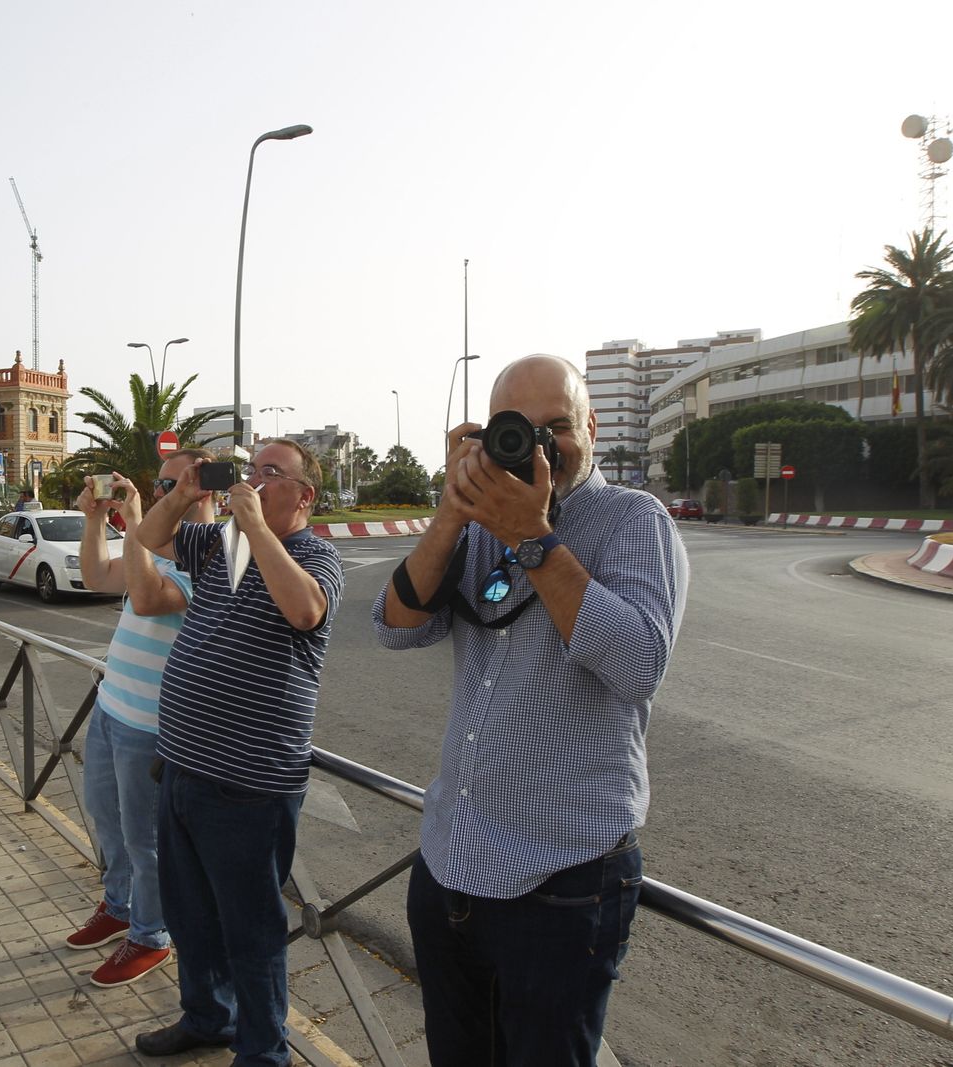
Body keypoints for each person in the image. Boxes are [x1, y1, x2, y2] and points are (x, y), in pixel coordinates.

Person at [373, 355, 690, 1067]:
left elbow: (638, 666)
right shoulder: (478, 523)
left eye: (559, 427)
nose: (542, 445)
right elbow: (396, 624)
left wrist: (535, 539)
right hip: (451, 863)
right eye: (520, 429)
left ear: (592, 426)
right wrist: (453, 515)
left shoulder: (633, 521)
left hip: (560, 883)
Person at [132, 440, 345, 1066]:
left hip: (247, 785)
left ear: (304, 495)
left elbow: (305, 611)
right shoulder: (221, 544)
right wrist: (185, 491)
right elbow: (148, 535)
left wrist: (253, 524)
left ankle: (263, 1053)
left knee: (250, 934)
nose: (252, 481)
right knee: (191, 916)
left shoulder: (316, 554)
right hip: (182, 767)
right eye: (250, 471)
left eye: (270, 474)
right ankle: (206, 1017)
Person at [62, 451, 216, 989]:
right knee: (106, 818)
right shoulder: (154, 542)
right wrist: (93, 521)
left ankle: (151, 935)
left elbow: (150, 600)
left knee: (145, 837)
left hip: (152, 725)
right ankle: (119, 905)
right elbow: (94, 574)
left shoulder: (213, 555)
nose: (166, 493)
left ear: (207, 490)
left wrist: (135, 526)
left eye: (180, 484)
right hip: (111, 706)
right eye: (162, 485)